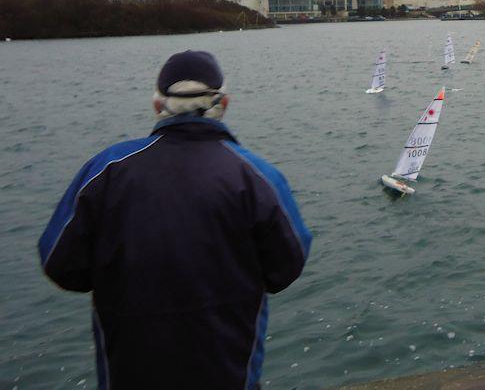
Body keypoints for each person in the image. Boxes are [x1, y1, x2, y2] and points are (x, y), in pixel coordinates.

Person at [38, 50, 312, 390]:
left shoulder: (106, 171)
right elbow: (287, 264)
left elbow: (59, 263)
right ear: (223, 104)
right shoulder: (256, 176)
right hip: (229, 374)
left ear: (157, 106)